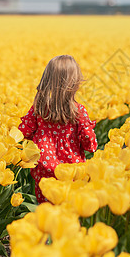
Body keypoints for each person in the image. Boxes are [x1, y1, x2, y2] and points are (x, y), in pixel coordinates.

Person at [18, 55, 97, 203]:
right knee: (69, 211)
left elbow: (23, 132)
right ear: (74, 83)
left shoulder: (39, 108)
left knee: (46, 212)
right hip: (71, 172)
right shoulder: (78, 111)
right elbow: (89, 144)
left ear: (47, 80)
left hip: (43, 170)